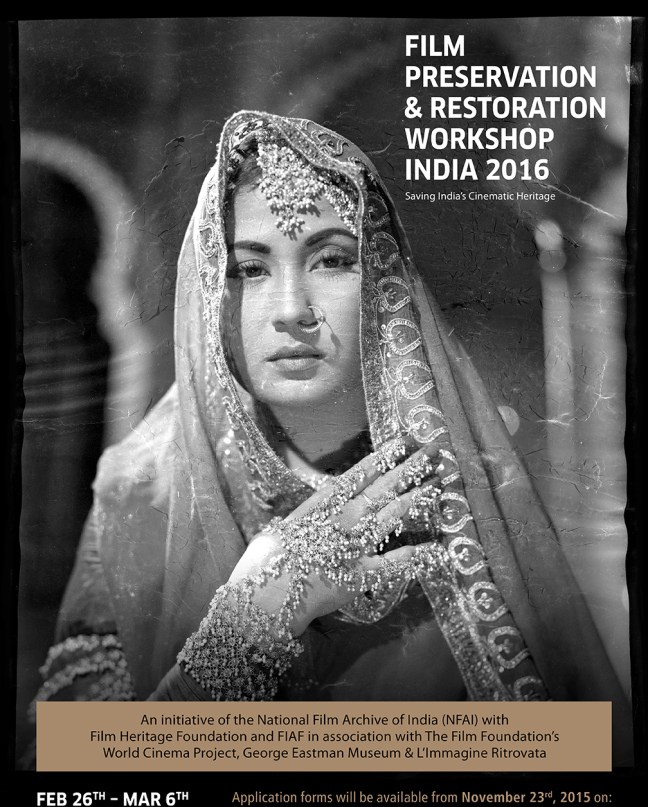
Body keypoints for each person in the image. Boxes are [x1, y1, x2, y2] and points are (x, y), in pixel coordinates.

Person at [32, 111, 631, 756]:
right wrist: (247, 628)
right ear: (209, 294)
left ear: (384, 284)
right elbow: (63, 772)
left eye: (333, 260)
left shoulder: (460, 492)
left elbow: (570, 761)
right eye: (249, 270)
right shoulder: (140, 488)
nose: (293, 311)